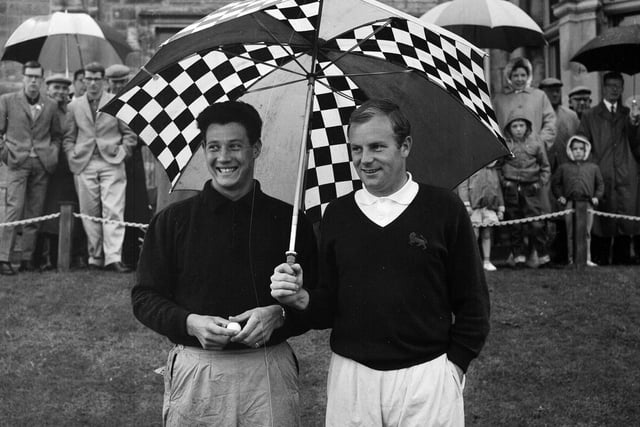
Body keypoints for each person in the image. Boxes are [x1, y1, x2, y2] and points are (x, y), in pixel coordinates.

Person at [271, 99, 490, 426]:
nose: (365, 160)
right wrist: (303, 297)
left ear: (405, 146)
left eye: (377, 147)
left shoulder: (444, 208)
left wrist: (455, 365)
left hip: (426, 377)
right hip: (353, 379)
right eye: (356, 149)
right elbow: (329, 302)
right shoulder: (338, 214)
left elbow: (474, 301)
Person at [132, 101, 317, 426]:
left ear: (256, 148)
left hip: (267, 370)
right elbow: (145, 297)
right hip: (197, 371)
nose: (224, 157)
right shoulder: (173, 221)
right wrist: (189, 322)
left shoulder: (288, 223)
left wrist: (281, 313)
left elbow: (318, 300)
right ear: (203, 149)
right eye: (214, 147)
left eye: (235, 146)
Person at [63, 62, 137, 272]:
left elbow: (130, 134)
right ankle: (95, 257)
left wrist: (123, 151)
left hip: (111, 161)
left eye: (97, 79)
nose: (93, 83)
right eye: (89, 79)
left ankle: (113, 257)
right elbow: (68, 137)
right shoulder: (74, 106)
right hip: (84, 162)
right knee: (89, 211)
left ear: (104, 81)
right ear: (83, 80)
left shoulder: (116, 102)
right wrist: (71, 155)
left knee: (113, 209)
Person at [0, 61, 62, 276]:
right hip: (17, 162)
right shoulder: (7, 101)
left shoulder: (50, 105)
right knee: (13, 210)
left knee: (34, 213)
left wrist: (51, 153)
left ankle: (27, 258)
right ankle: (4, 258)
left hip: (42, 164)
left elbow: (57, 135)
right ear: (23, 78)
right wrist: (7, 155)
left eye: (37, 77)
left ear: (42, 80)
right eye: (30, 76)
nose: (33, 81)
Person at [577, 71, 640, 265]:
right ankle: (600, 256)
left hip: (625, 172)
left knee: (625, 213)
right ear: (603, 88)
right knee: (601, 217)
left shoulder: (628, 114)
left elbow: (635, 144)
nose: (614, 89)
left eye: (618, 86)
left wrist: (634, 124)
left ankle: (623, 256)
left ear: (622, 88)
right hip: (601, 171)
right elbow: (582, 143)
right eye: (610, 85)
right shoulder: (590, 115)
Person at [36, 73, 88, 270]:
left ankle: (76, 255)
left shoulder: (72, 109)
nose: (60, 92)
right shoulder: (45, 110)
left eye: (64, 88)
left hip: (71, 166)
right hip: (49, 166)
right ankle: (45, 257)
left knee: (75, 209)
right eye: (56, 87)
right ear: (48, 90)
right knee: (48, 211)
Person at [105, 64, 151, 267]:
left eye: (122, 82)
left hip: (133, 163)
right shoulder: (105, 103)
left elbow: (147, 131)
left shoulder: (139, 101)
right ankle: (116, 254)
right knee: (114, 206)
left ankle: (132, 254)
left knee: (134, 206)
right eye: (115, 83)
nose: (118, 87)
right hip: (111, 160)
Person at [499, 110, 551, 268]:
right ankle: (519, 257)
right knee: (515, 223)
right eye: (515, 126)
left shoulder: (535, 143)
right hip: (511, 188)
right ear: (509, 128)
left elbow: (545, 167)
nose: (518, 129)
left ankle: (542, 257)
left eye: (521, 125)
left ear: (527, 127)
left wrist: (538, 183)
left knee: (536, 223)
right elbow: (498, 167)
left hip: (530, 187)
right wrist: (505, 183)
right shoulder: (505, 145)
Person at [539, 77, 581, 265]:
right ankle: (546, 253)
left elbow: (578, 141)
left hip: (566, 171)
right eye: (550, 91)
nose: (554, 94)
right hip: (544, 170)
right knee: (546, 211)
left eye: (557, 90)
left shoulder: (570, 116)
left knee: (566, 211)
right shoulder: (539, 114)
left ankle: (565, 253)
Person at [551, 135, 604, 267]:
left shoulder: (593, 168)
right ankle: (571, 259)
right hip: (570, 203)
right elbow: (555, 184)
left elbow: (600, 184)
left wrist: (597, 197)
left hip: (588, 204)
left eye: (581, 148)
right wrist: (560, 196)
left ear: (586, 150)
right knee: (570, 232)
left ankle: (586, 258)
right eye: (575, 149)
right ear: (570, 150)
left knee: (586, 232)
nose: (578, 151)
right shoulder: (564, 167)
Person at [493, 57, 557, 150]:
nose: (520, 79)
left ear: (528, 76)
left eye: (523, 75)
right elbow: (492, 124)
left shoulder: (539, 96)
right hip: (507, 152)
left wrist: (540, 142)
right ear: (509, 77)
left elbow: (550, 122)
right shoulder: (499, 100)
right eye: (515, 75)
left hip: (533, 152)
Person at [458, 161, 505, 271]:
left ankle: (487, 261)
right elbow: (463, 186)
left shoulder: (493, 170)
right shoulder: (470, 167)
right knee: (473, 234)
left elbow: (498, 188)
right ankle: (472, 261)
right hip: (474, 207)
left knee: (487, 233)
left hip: (489, 206)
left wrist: (500, 207)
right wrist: (466, 203)